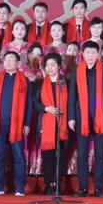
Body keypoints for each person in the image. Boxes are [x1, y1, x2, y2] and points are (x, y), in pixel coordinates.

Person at [69, 41, 103, 197]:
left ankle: (98, 188)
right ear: (82, 54)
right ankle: (82, 188)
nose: (90, 55)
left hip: (101, 117)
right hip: (81, 117)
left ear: (98, 54)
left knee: (100, 154)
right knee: (82, 154)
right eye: (87, 52)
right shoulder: (77, 70)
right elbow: (72, 95)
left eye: (93, 52)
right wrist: (71, 117)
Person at [0, 50, 32, 197]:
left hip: (17, 123)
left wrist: (27, 123)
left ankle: (19, 187)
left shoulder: (24, 81)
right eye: (6, 60)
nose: (8, 62)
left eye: (11, 59)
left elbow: (29, 104)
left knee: (18, 157)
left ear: (18, 63)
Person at [35, 53, 70, 194]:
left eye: (53, 65)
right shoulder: (41, 83)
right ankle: (48, 184)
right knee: (48, 156)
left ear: (59, 66)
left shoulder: (66, 82)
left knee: (60, 156)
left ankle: (57, 184)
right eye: (47, 65)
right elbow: (35, 102)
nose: (50, 68)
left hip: (62, 124)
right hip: (46, 124)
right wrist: (46, 108)